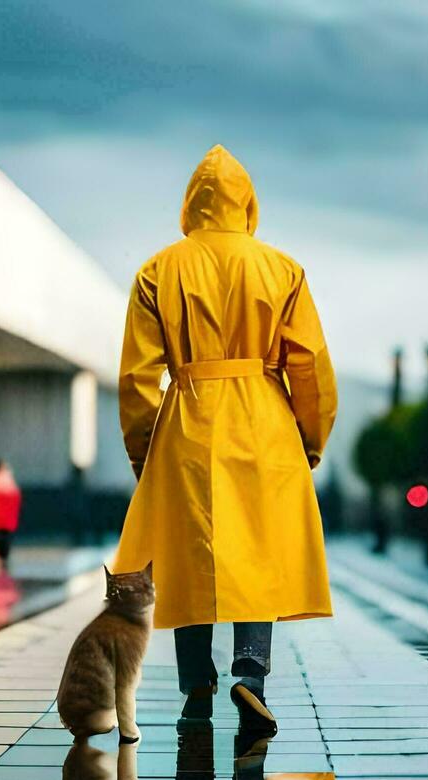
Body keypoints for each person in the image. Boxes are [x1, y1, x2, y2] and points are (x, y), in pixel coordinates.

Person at [113, 145, 337, 735]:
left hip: (188, 417)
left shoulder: (158, 270)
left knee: (189, 554)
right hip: (264, 420)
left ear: (190, 205)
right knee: (256, 551)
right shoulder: (282, 270)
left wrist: (144, 455)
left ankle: (196, 684)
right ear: (248, 203)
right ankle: (251, 674)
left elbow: (137, 379)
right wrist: (310, 439)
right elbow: (309, 366)